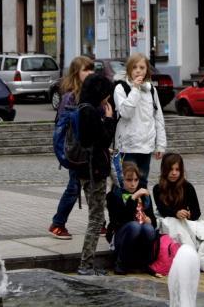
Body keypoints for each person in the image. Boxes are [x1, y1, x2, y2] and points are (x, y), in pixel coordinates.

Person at [153, 153, 204, 272]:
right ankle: (190, 259)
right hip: (168, 219)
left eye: (177, 170)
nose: (174, 173)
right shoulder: (158, 188)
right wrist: (176, 213)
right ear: (164, 170)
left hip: (186, 220)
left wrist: (189, 215)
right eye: (170, 169)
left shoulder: (187, 187)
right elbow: (162, 209)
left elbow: (197, 211)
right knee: (174, 225)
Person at [48, 56, 94, 240]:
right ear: (76, 74)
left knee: (92, 187)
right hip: (77, 151)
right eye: (85, 70)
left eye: (92, 69)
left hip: (89, 149)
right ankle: (57, 224)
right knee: (74, 188)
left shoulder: (92, 92)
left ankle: (98, 223)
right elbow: (64, 126)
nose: (90, 73)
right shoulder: (71, 96)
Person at [76, 73, 116, 276]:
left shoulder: (82, 108)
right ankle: (86, 264)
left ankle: (87, 264)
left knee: (96, 216)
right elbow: (104, 139)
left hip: (85, 170)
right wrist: (109, 120)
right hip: (95, 172)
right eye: (106, 94)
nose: (108, 98)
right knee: (96, 218)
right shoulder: (91, 112)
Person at [113, 52, 166, 189]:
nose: (138, 70)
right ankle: (128, 211)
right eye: (135, 67)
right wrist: (135, 89)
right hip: (127, 147)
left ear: (147, 70)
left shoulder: (151, 90)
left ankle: (142, 211)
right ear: (129, 69)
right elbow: (126, 113)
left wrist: (160, 145)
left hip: (146, 147)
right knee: (128, 185)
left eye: (142, 67)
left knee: (142, 184)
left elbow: (158, 118)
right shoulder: (121, 88)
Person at [106, 162, 157, 275]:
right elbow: (119, 221)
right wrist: (133, 198)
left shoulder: (143, 195)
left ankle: (145, 263)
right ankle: (120, 263)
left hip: (140, 235)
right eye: (129, 180)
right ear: (120, 180)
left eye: (136, 180)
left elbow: (153, 220)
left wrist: (150, 220)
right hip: (120, 234)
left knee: (148, 228)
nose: (133, 184)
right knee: (135, 226)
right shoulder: (113, 196)